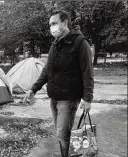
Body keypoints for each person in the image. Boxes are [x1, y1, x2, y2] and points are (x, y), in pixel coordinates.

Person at [24, 10, 94, 157]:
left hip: (68, 98)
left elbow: (87, 72)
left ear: (65, 23)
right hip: (54, 97)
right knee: (60, 133)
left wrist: (88, 99)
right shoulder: (55, 45)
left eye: (54, 23)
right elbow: (46, 70)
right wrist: (33, 89)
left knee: (63, 134)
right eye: (50, 24)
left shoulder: (80, 43)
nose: (51, 27)